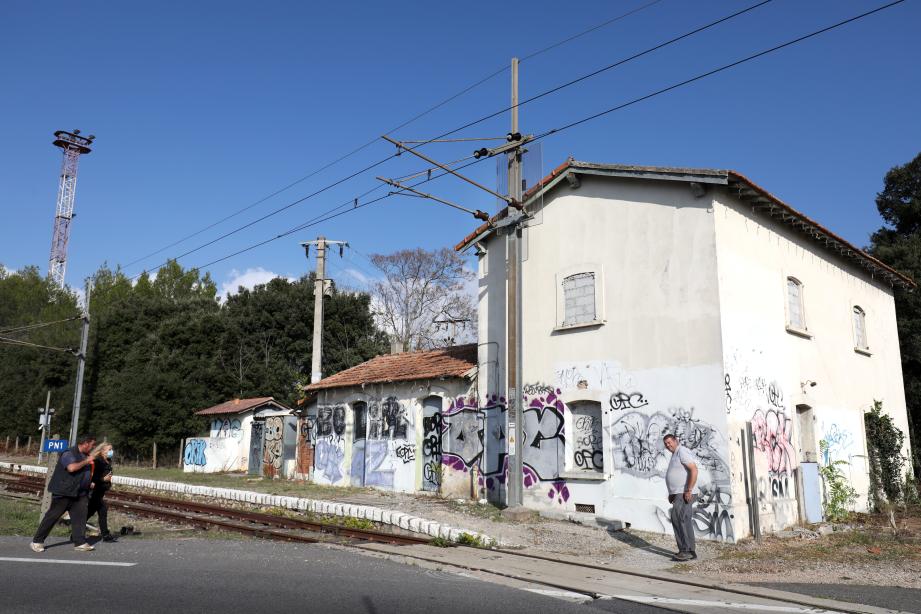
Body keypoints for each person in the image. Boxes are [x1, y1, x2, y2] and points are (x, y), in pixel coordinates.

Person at [31, 434, 100, 552]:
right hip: (64, 492)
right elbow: (71, 468)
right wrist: (86, 461)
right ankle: (37, 541)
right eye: (92, 445)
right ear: (85, 443)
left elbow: (84, 472)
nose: (93, 448)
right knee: (52, 516)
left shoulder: (86, 456)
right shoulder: (69, 453)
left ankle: (80, 542)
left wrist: (89, 482)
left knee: (80, 517)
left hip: (80, 493)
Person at [663, 433, 699, 561]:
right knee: (683, 519)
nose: (668, 445)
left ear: (675, 441)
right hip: (678, 493)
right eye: (666, 444)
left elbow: (694, 470)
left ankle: (685, 551)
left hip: (684, 492)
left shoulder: (681, 451)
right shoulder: (675, 455)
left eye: (669, 442)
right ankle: (690, 551)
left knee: (679, 519)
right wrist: (671, 493)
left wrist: (688, 490)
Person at [87, 442, 116, 542]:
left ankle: (76, 532)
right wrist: (103, 479)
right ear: (102, 451)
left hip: (100, 491)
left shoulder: (107, 461)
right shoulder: (98, 462)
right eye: (109, 450)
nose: (111, 451)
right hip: (95, 491)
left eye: (111, 449)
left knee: (89, 512)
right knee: (102, 510)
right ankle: (105, 535)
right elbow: (93, 478)